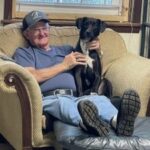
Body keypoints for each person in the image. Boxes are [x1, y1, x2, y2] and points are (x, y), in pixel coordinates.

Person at [13, 10, 141, 137]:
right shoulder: (24, 53)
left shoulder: (67, 50)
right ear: (26, 34)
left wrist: (97, 49)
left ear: (49, 29)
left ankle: (118, 122)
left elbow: (91, 66)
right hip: (51, 98)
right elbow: (31, 77)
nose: (42, 33)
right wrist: (64, 65)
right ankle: (86, 123)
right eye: (36, 29)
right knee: (63, 104)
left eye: (44, 28)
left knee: (99, 100)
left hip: (78, 96)